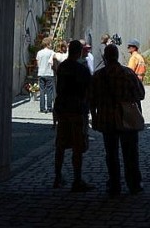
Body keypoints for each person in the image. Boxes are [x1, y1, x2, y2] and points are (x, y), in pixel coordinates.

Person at [89, 43, 145, 197]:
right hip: (126, 118)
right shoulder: (127, 73)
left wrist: (94, 117)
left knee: (111, 154)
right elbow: (140, 94)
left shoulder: (99, 76)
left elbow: (91, 99)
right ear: (117, 56)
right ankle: (134, 184)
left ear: (105, 57)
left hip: (107, 119)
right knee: (131, 153)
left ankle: (114, 185)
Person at [53, 40, 95, 192]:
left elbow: (59, 89)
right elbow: (89, 91)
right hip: (77, 110)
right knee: (77, 146)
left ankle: (57, 176)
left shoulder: (62, 67)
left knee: (61, 145)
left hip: (63, 109)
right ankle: (77, 179)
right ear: (79, 52)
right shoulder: (81, 69)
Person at [36, 37, 56, 114]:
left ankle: (42, 108)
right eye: (50, 43)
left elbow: (38, 63)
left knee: (42, 91)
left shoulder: (39, 53)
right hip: (49, 73)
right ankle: (49, 107)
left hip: (41, 73)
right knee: (49, 91)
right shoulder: (51, 52)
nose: (51, 45)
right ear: (48, 44)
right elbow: (53, 63)